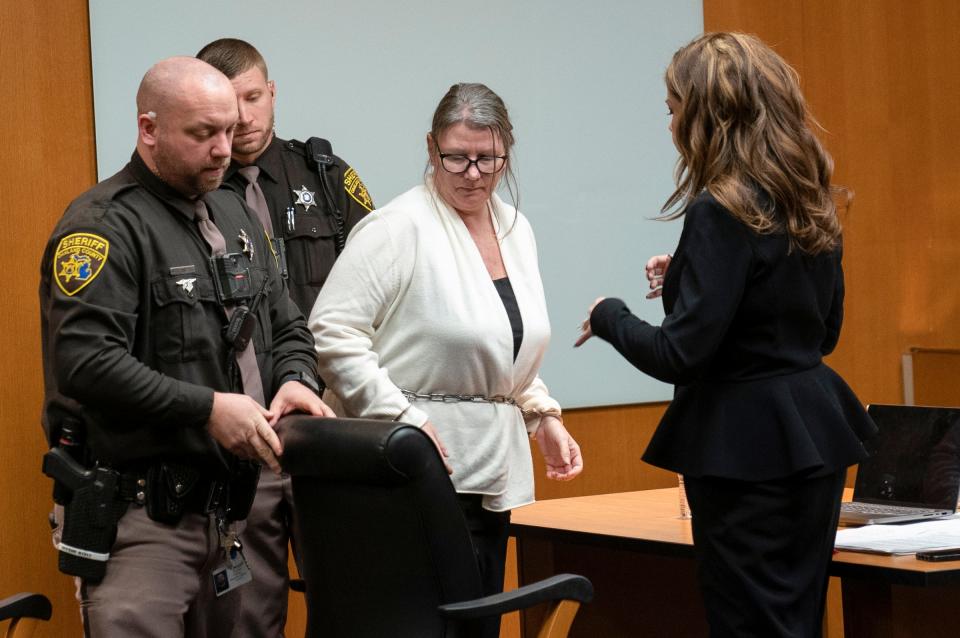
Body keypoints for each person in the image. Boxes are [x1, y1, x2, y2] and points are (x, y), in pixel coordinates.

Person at [575, 33, 876, 637]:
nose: (670, 125)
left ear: (707, 115)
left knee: (746, 624)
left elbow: (680, 353)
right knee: (796, 621)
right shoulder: (807, 196)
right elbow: (818, 331)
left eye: (673, 108)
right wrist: (688, 278)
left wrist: (609, 315)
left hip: (743, 449)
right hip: (809, 437)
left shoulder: (719, 208)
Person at [39, 56, 333, 638]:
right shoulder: (101, 226)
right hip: (143, 519)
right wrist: (208, 409)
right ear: (149, 129)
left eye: (228, 129)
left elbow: (287, 321)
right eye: (204, 134)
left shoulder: (234, 211)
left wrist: (298, 377)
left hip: (235, 512)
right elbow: (86, 364)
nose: (225, 148)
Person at [308, 82, 583, 638]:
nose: (473, 173)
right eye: (456, 157)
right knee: (427, 627)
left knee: (478, 625)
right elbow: (331, 332)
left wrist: (540, 413)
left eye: (487, 158)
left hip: (490, 469)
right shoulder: (396, 228)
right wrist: (400, 419)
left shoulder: (515, 228)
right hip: (407, 469)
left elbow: (505, 339)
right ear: (431, 149)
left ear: (507, 151)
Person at [195, 38, 374, 636]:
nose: (243, 118)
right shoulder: (192, 194)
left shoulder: (324, 176)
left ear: (272, 94)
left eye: (253, 97)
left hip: (332, 417)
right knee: (251, 607)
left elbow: (384, 282)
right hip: (246, 434)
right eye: (228, 103)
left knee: (356, 595)